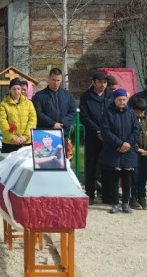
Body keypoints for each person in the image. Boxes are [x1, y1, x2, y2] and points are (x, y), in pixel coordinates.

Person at [100, 89, 139, 214]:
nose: (122, 102)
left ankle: (125, 203)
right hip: (113, 150)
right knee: (114, 178)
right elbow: (105, 131)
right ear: (114, 100)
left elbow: (136, 130)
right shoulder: (108, 113)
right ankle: (115, 203)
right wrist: (119, 143)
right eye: (119, 100)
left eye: (124, 99)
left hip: (128, 150)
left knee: (127, 178)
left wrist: (127, 143)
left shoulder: (131, 113)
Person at [79, 71, 109, 202]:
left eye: (105, 82)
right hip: (92, 136)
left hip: (108, 136)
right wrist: (97, 131)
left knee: (107, 165)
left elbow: (112, 114)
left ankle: (106, 193)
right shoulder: (86, 96)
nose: (103, 85)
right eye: (100, 82)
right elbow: (84, 116)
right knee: (91, 165)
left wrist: (106, 131)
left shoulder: (110, 95)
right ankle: (90, 193)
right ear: (93, 82)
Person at [32, 67, 77, 142]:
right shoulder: (39, 95)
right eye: (53, 80)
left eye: (58, 80)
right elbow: (38, 113)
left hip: (63, 133)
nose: (55, 83)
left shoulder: (68, 95)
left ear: (61, 80)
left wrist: (62, 123)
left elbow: (73, 112)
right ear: (49, 78)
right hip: (45, 134)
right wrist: (53, 124)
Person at [0, 77, 37, 154]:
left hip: (25, 142)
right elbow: (2, 122)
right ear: (10, 90)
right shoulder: (4, 104)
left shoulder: (28, 103)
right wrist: (12, 137)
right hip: (9, 143)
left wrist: (25, 136)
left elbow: (32, 120)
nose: (16, 91)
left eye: (18, 89)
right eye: (14, 89)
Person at [130, 98, 147, 210]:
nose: (140, 114)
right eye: (137, 112)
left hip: (146, 154)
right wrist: (137, 149)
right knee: (134, 177)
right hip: (134, 153)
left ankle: (142, 197)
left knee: (143, 176)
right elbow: (129, 136)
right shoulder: (130, 119)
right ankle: (133, 198)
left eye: (142, 112)